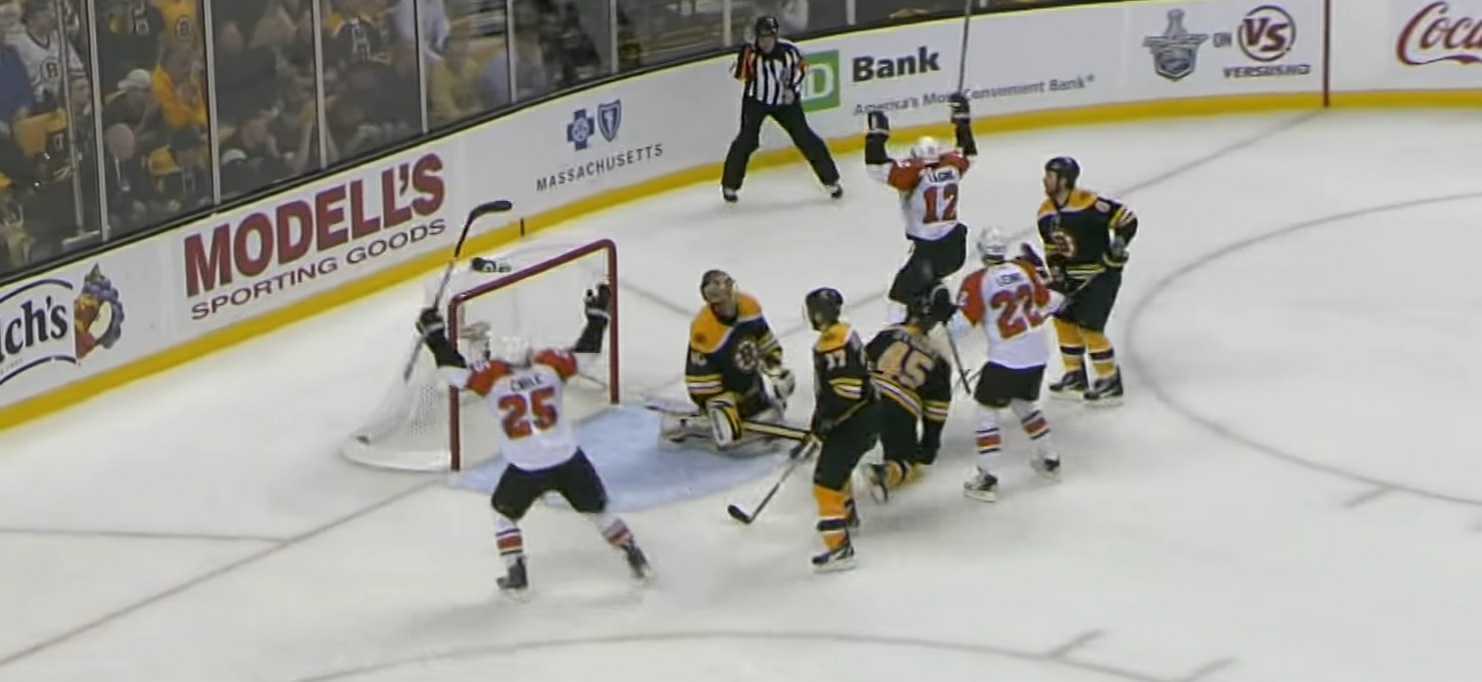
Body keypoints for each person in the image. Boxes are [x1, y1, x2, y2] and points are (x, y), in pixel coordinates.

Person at [413, 304, 651, 595]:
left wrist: (435, 335)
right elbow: (586, 354)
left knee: (504, 514)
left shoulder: (493, 377)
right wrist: (597, 319)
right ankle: (634, 556)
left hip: (526, 466)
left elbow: (453, 373)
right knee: (598, 512)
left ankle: (517, 573)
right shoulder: (550, 366)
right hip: (567, 459)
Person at [953, 228, 1064, 501]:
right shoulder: (1024, 268)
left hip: (1006, 359)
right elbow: (1049, 301)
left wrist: (942, 315)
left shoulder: (977, 281)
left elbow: (960, 327)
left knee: (986, 412)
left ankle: (987, 478)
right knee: (1023, 404)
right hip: (1037, 352)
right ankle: (1050, 459)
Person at [864, 92, 978, 323]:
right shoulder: (953, 165)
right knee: (932, 279)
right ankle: (937, 300)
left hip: (928, 250)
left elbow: (875, 167)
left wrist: (877, 136)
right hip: (956, 245)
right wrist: (962, 122)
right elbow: (969, 153)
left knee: (899, 296)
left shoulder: (912, 174)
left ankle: (901, 332)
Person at [1037, 156, 1137, 404]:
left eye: (1050, 176)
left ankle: (1110, 380)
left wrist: (1118, 244)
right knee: (1063, 319)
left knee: (1090, 325)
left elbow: (1127, 220)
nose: (1045, 180)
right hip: (1070, 277)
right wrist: (1057, 274)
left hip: (1101, 274)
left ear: (1065, 180)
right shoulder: (1045, 213)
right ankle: (1075, 375)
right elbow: (1051, 249)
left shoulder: (1090, 203)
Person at [720, 15, 840, 204]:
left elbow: (802, 69)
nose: (765, 42)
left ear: (775, 36)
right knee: (746, 140)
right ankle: (730, 185)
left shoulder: (789, 51)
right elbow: (739, 74)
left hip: (785, 102)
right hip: (756, 101)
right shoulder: (750, 52)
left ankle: (831, 180)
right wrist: (745, 58)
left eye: (769, 37)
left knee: (804, 137)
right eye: (761, 37)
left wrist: (792, 89)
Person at [671, 269, 796, 448]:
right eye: (722, 298)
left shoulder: (749, 306)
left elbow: (764, 339)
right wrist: (717, 403)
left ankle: (750, 403)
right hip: (721, 389)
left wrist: (776, 370)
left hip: (750, 383)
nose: (729, 301)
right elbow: (699, 377)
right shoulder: (703, 329)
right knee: (729, 433)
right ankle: (698, 423)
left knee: (767, 409)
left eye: (729, 289)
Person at [799, 287, 876, 572]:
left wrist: (825, 422)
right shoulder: (845, 332)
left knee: (825, 482)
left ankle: (840, 548)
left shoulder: (832, 344)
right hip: (863, 416)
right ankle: (848, 515)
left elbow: (847, 392)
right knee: (838, 471)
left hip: (853, 421)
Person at [862, 291, 953, 501]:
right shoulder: (939, 356)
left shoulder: (888, 333)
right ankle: (885, 473)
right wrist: (930, 443)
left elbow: (859, 363)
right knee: (906, 463)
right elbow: (936, 408)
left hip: (868, 394)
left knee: (849, 433)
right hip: (899, 407)